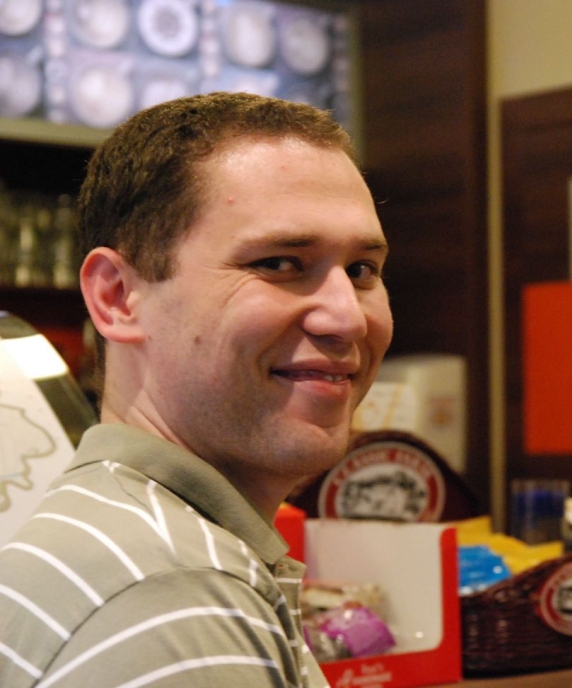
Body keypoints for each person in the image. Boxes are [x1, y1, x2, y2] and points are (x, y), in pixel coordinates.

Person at [0, 92, 393, 686]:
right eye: (280, 263)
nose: (347, 318)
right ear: (117, 297)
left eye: (362, 270)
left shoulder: (125, 542)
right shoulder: (170, 595)